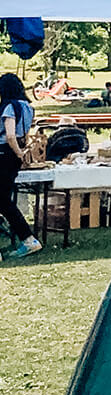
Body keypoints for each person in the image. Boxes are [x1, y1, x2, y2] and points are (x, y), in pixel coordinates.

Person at [1, 73, 42, 259]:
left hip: (5, 152)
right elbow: (24, 133)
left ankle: (27, 238)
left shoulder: (9, 106)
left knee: (3, 200)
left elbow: (10, 135)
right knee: (3, 199)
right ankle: (27, 238)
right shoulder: (27, 107)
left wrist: (17, 152)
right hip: (16, 154)